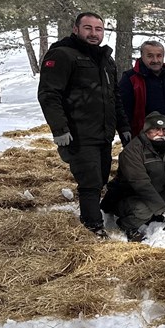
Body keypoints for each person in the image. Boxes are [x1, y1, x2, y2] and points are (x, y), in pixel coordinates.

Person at [38, 12, 129, 238]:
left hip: (103, 133)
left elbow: (114, 97)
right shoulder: (62, 55)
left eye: (98, 29)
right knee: (89, 181)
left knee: (101, 177)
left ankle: (95, 216)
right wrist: (59, 129)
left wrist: (123, 127)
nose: (93, 33)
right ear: (76, 29)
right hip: (78, 133)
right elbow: (49, 94)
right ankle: (93, 227)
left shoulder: (106, 59)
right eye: (88, 28)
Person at [101, 112, 165, 241]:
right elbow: (141, 185)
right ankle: (128, 225)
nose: (161, 133)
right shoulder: (133, 151)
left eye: (164, 130)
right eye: (156, 129)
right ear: (146, 131)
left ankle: (158, 216)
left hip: (156, 192)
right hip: (128, 197)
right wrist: (162, 209)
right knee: (144, 209)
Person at [119, 40, 165, 149]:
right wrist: (124, 131)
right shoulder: (131, 78)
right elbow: (123, 109)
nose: (155, 60)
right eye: (150, 56)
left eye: (159, 56)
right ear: (142, 56)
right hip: (144, 139)